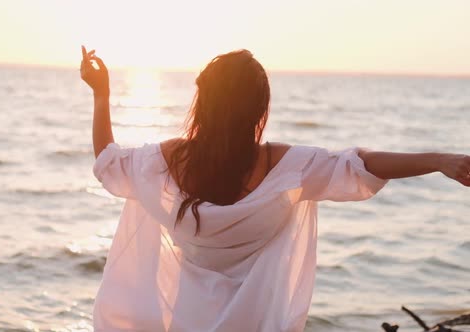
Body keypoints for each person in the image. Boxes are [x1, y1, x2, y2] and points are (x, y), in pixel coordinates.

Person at [80, 45, 470, 332]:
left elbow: (108, 163)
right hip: (259, 322)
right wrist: (439, 160)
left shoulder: (166, 162)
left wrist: (101, 94)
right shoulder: (287, 168)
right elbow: (361, 163)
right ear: (259, 109)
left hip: (184, 320)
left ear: (203, 102)